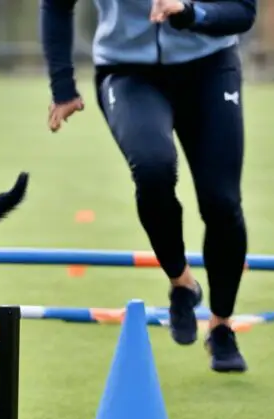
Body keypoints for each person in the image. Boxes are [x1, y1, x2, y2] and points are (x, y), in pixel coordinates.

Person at [40, 0, 257, 373]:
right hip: (127, 73)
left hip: (210, 67)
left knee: (221, 203)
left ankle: (221, 326)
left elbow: (242, 11)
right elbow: (56, 5)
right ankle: (182, 282)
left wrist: (191, 12)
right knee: (153, 168)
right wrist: (63, 86)